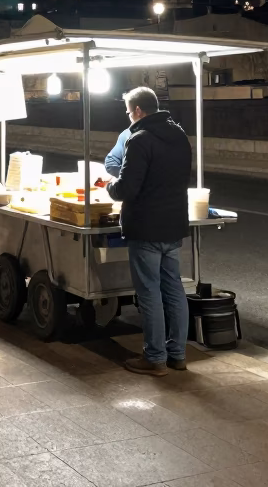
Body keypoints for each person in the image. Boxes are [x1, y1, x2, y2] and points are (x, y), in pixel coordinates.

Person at [106, 87, 191, 376]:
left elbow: (126, 188)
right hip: (173, 224)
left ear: (139, 110)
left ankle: (155, 358)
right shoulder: (179, 134)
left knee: (150, 293)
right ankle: (177, 355)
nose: (129, 117)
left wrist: (107, 187)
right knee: (174, 290)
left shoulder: (139, 139)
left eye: (129, 112)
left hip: (146, 227)